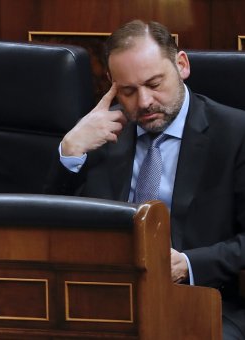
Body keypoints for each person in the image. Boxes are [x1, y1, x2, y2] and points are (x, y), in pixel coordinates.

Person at [44, 20, 245, 339]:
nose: (144, 102)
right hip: (105, 298)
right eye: (128, 90)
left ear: (181, 65)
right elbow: (48, 225)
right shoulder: (99, 133)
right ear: (112, 84)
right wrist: (71, 151)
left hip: (202, 300)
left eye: (154, 83)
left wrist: (189, 264)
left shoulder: (234, 133)